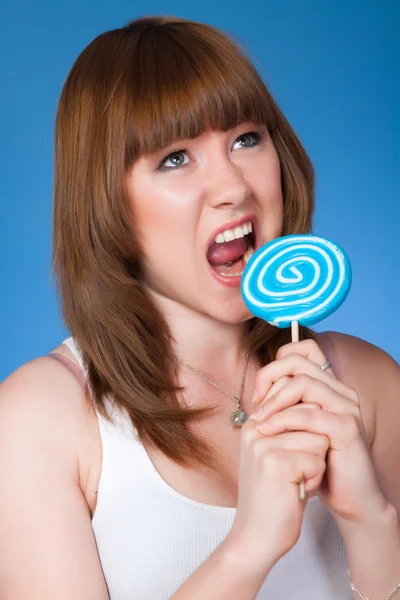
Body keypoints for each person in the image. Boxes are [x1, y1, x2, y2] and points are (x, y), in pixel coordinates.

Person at [0, 15, 399, 600]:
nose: (234, 186)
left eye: (245, 139)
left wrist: (372, 521)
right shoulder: (39, 420)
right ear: (106, 202)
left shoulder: (369, 383)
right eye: (175, 158)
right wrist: (250, 548)